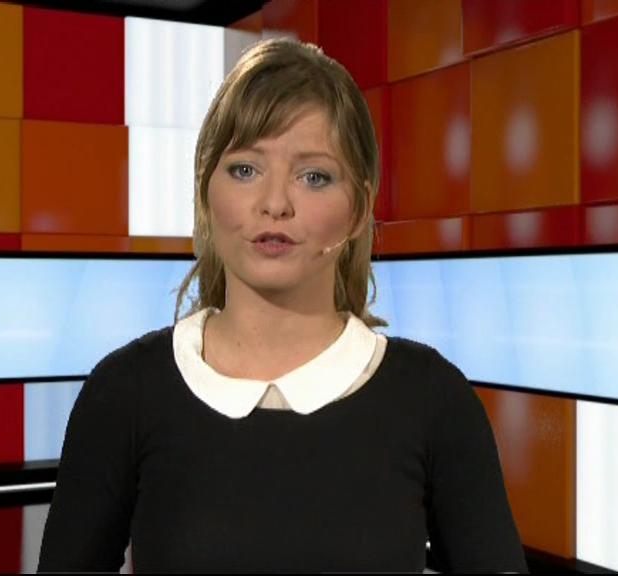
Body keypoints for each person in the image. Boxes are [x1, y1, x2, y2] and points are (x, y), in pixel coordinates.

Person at [38, 37, 528, 573]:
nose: (275, 204)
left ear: (360, 208)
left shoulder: (434, 400)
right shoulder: (123, 393)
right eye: (245, 169)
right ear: (205, 190)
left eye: (314, 177)